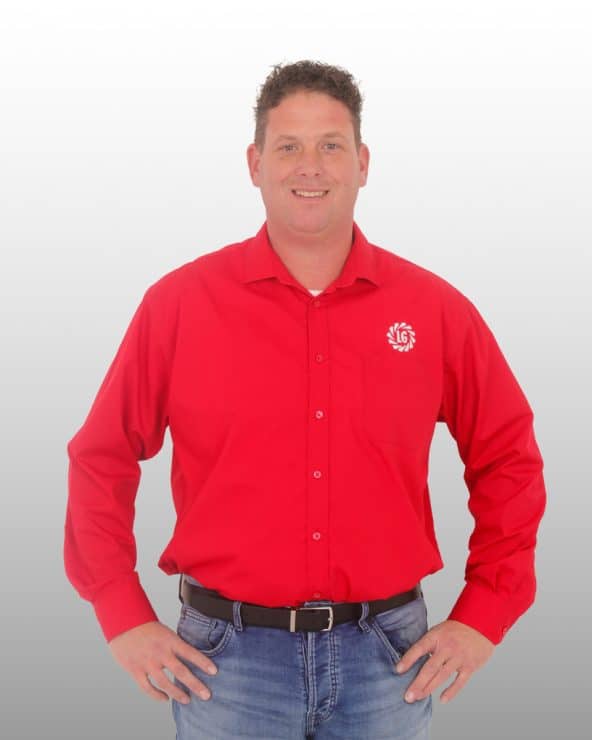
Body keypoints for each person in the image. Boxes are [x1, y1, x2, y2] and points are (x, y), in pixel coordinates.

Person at [64, 60, 547, 739]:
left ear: (363, 163)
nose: (309, 166)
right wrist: (121, 614)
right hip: (225, 663)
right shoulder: (179, 305)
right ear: (255, 163)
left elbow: (509, 458)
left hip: (389, 659)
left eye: (331, 145)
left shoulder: (434, 310)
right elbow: (101, 456)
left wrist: (485, 614)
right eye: (288, 145)